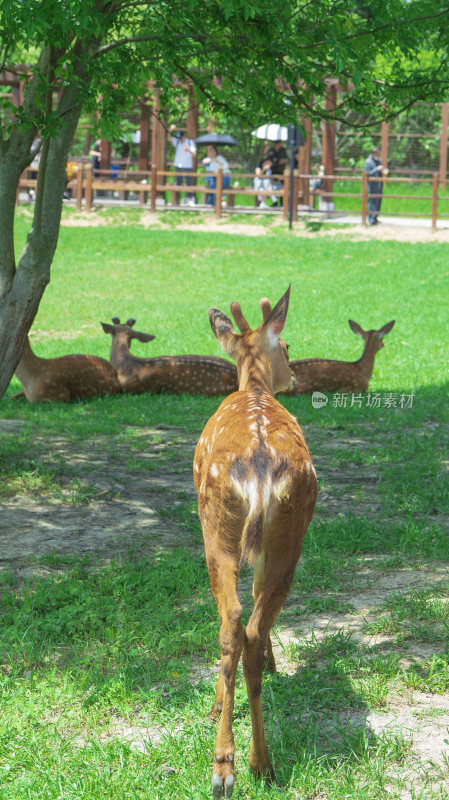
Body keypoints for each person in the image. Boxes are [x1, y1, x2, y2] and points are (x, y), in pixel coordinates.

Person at [169, 125, 197, 205]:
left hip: (188, 166)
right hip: (178, 166)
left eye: (181, 138)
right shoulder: (177, 142)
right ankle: (177, 200)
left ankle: (189, 200)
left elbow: (194, 154)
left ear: (184, 136)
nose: (180, 139)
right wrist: (171, 130)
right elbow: (168, 138)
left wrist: (188, 150)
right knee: (178, 183)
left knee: (189, 184)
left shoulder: (189, 142)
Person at [364, 146, 388, 225]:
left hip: (379, 184)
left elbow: (380, 171)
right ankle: (371, 218)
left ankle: (375, 217)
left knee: (378, 201)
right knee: (372, 201)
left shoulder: (379, 161)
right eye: (379, 153)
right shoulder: (368, 162)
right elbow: (367, 173)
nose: (380, 154)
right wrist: (377, 169)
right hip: (372, 185)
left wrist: (384, 172)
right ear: (375, 153)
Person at [265, 140, 288, 206]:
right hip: (273, 171)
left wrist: (283, 161)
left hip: (281, 171)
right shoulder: (271, 150)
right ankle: (275, 202)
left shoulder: (283, 150)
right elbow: (268, 159)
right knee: (272, 186)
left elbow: (287, 159)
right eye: (278, 144)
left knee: (283, 187)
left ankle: (282, 203)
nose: (279, 145)